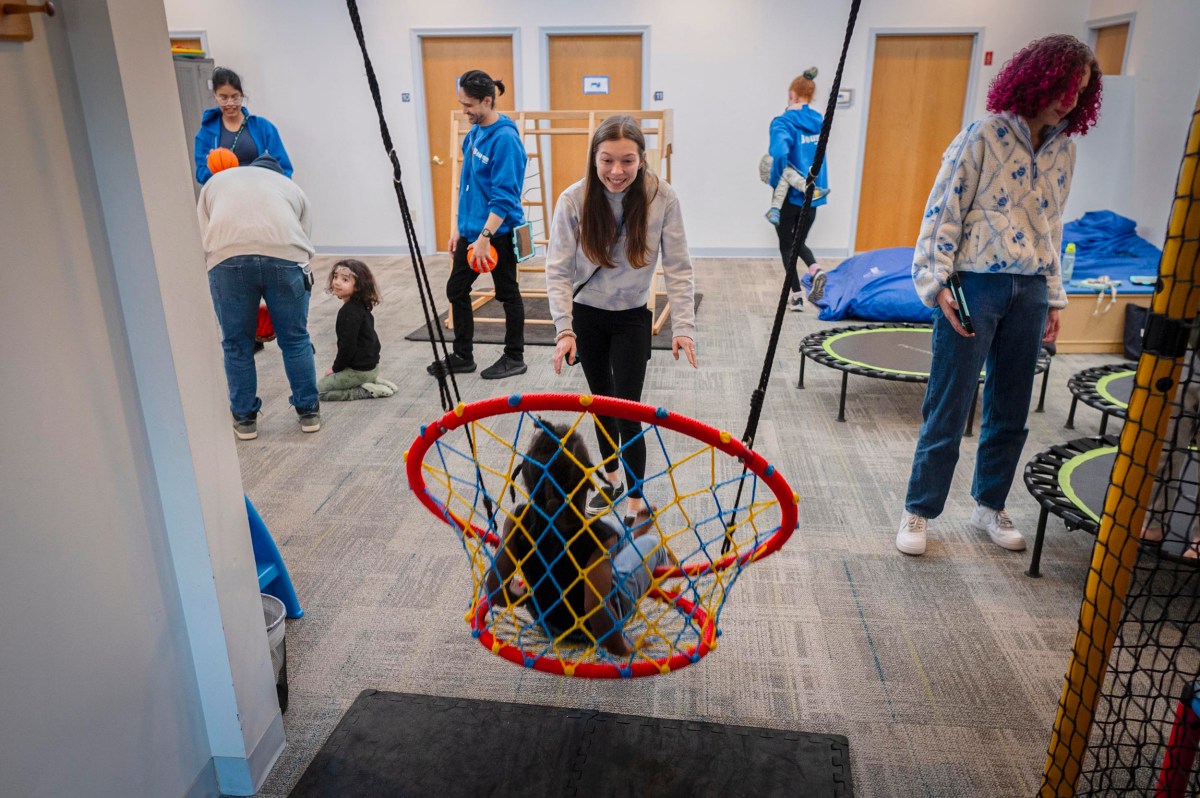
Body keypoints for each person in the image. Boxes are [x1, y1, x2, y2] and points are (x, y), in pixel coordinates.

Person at [895, 35, 1102, 556]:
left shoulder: (1065, 150)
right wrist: (936, 283)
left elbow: (1053, 227)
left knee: (1012, 407)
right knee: (950, 401)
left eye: (1078, 91)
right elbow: (944, 209)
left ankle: (990, 504)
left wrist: (1054, 298)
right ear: (1037, 79)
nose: (1068, 99)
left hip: (1029, 288)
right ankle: (919, 510)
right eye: (1061, 86)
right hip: (976, 283)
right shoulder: (983, 134)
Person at [545, 114, 697, 519]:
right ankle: (612, 478)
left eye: (627, 161)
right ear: (594, 159)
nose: (617, 171)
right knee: (601, 404)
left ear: (642, 159)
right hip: (587, 315)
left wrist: (683, 326)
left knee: (628, 411)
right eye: (607, 160)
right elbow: (557, 269)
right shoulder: (574, 200)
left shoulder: (662, 198)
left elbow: (679, 266)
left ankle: (635, 500)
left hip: (632, 315)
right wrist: (564, 329)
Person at [484, 421, 673, 657]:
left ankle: (631, 535)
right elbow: (596, 608)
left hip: (545, 617)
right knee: (651, 545)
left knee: (614, 528)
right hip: (588, 630)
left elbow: (495, 591)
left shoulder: (518, 520)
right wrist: (622, 647)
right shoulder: (596, 538)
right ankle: (653, 552)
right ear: (588, 484)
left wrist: (520, 596)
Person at [198, 153, 320, 439]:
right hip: (286, 257)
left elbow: (205, 234)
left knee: (236, 343)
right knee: (295, 339)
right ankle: (309, 412)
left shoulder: (216, 182)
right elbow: (304, 237)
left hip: (227, 258)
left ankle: (244, 419)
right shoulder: (291, 188)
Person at [427, 69, 528, 380]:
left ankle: (514, 356)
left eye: (469, 105)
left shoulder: (506, 140)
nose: (464, 111)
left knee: (507, 293)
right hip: (472, 233)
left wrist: (485, 235)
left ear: (487, 101)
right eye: (461, 103)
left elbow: (505, 196)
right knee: (456, 289)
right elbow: (467, 184)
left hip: (498, 232)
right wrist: (460, 228)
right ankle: (463, 355)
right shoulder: (472, 135)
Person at [767, 67, 831, 310]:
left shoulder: (783, 122)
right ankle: (815, 270)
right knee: (798, 242)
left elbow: (779, 152)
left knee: (787, 244)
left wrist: (778, 180)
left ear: (792, 94)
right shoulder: (819, 122)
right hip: (813, 196)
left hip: (790, 196)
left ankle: (796, 296)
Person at [194, 67, 293, 185]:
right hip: (227, 195)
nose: (230, 103)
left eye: (235, 97)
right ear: (216, 97)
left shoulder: (263, 127)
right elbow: (201, 174)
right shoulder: (205, 134)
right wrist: (213, 167)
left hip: (262, 193)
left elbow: (284, 168)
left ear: (242, 96)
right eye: (223, 98)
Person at [318, 259, 397, 402]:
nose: (336, 282)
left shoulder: (348, 312)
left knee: (317, 392)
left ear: (358, 286)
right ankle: (373, 381)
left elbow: (347, 346)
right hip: (372, 367)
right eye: (336, 277)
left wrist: (335, 369)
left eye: (345, 280)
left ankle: (362, 391)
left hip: (359, 371)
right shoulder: (362, 306)